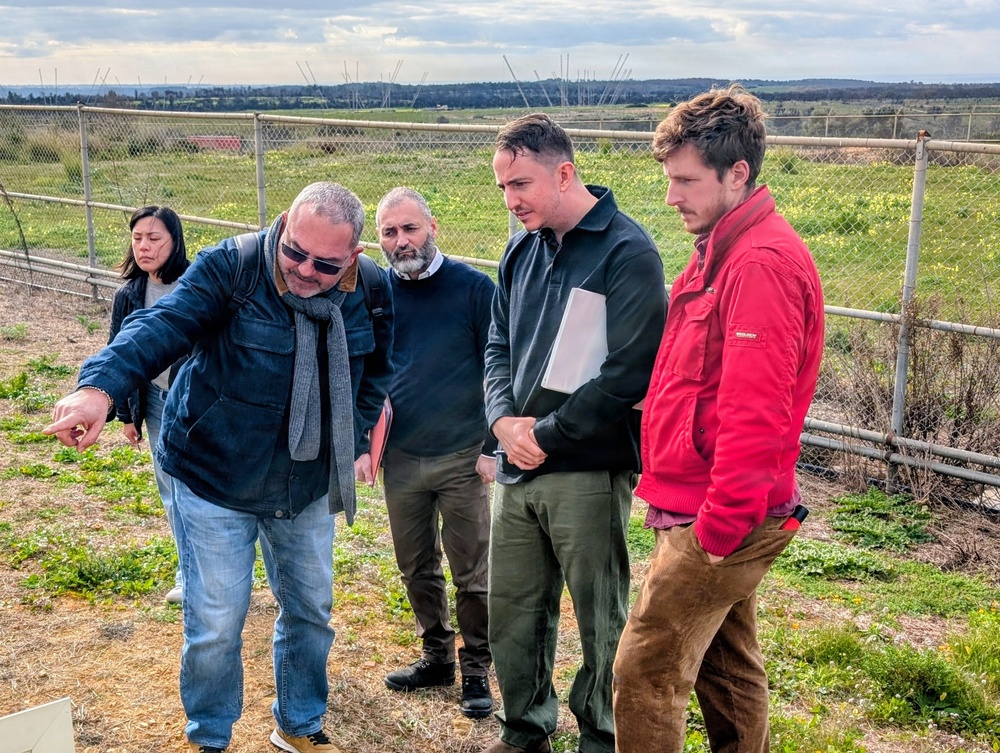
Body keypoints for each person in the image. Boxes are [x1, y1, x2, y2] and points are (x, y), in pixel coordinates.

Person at [45, 182, 394, 753]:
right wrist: (99, 389)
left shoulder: (372, 291)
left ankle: (299, 724)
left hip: (301, 484)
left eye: (326, 264)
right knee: (216, 622)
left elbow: (379, 367)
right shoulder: (231, 266)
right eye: (295, 252)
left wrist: (351, 434)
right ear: (282, 225)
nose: (305, 271)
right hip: (213, 475)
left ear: (353, 257)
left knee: (311, 612)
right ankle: (209, 737)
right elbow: (160, 327)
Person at [612, 85, 826, 753]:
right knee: (725, 668)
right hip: (705, 502)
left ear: (737, 174)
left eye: (685, 180)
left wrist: (716, 529)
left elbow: (755, 415)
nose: (672, 196)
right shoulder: (721, 245)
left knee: (644, 669)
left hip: (724, 513)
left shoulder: (758, 262)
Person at [483, 114, 667, 753]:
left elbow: (627, 373)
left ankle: (601, 734)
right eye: (504, 187)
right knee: (512, 614)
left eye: (522, 185)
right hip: (517, 466)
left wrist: (550, 435)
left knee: (600, 620)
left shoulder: (627, 251)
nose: (512, 201)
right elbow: (497, 343)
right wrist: (502, 420)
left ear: (565, 173)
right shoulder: (519, 250)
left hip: (587, 469)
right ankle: (525, 728)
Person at [373, 186, 497, 719]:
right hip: (400, 457)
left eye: (410, 228)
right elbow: (365, 370)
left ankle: (476, 670)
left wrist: (493, 446)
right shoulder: (377, 293)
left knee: (472, 573)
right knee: (415, 565)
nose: (402, 241)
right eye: (389, 233)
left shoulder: (473, 288)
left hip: (462, 455)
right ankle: (436, 657)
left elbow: (501, 369)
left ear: (433, 227)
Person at [109, 205, 190, 605]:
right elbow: (119, 355)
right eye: (138, 238)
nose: (144, 247)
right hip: (157, 405)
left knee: (200, 489)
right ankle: (188, 572)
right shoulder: (129, 295)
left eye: (154, 239)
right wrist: (128, 415)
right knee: (171, 489)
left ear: (174, 242)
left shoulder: (198, 282)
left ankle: (217, 570)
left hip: (196, 403)